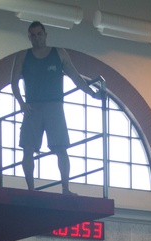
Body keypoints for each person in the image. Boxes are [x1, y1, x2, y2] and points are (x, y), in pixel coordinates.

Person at [10, 21, 102, 194]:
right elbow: (13, 82)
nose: (36, 38)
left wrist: (91, 93)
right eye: (33, 35)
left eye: (39, 34)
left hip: (54, 106)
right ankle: (31, 189)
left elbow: (75, 76)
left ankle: (65, 188)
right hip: (33, 108)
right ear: (29, 37)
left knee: (61, 148)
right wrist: (21, 103)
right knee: (28, 148)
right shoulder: (23, 56)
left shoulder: (59, 53)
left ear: (45, 34)